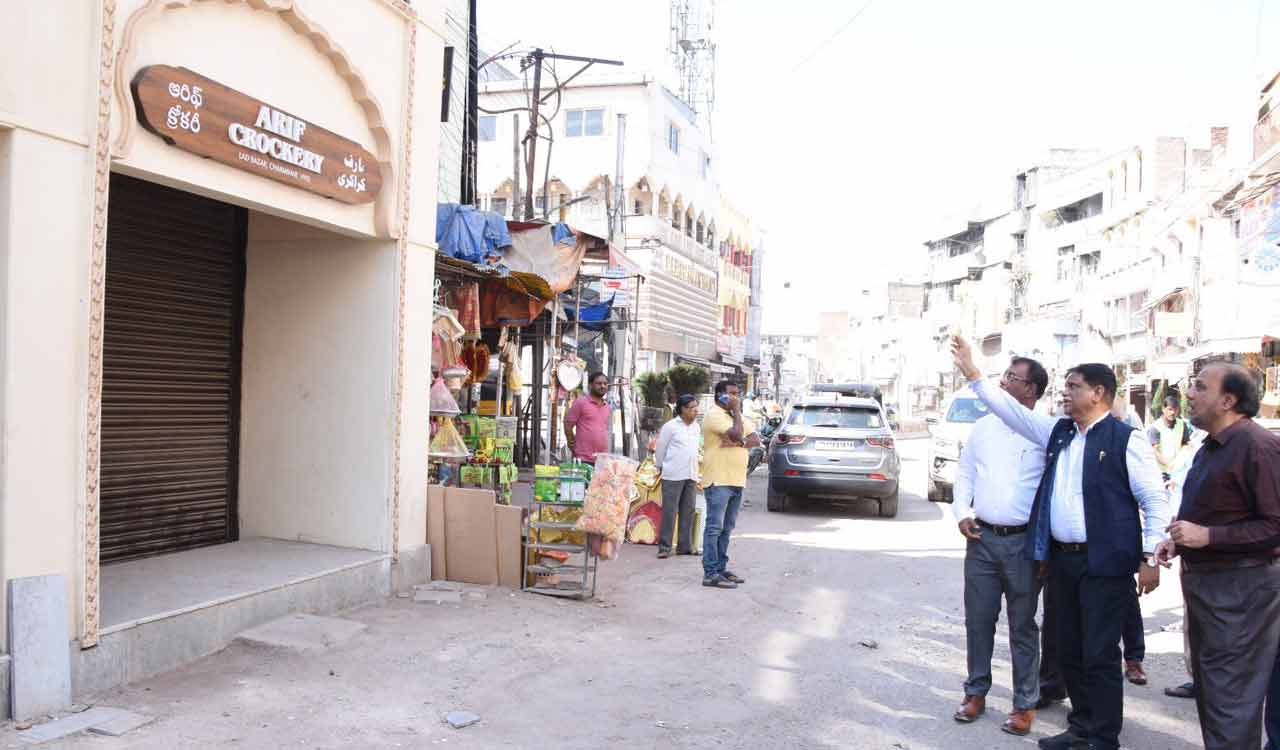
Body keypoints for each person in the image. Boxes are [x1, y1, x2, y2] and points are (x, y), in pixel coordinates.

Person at [951, 337, 1169, 750]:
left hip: (1105, 562)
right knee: (1067, 647)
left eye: (1073, 387)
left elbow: (1153, 498)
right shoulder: (1060, 432)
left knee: (1100, 653)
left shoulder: (1125, 439)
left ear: (1098, 393)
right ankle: (1081, 727)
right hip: (1064, 561)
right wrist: (974, 376)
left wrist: (1150, 553)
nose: (1064, 394)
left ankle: (1102, 737)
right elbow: (1009, 411)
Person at [1153, 362, 1280, 750]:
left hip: (1242, 592)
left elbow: (1275, 525)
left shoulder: (1258, 446)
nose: (1188, 394)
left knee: (1231, 702)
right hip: (1212, 590)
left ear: (1228, 400)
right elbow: (1217, 509)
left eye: (1199, 387)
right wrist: (1180, 538)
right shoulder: (1211, 446)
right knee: (1214, 695)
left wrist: (1207, 536)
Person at [951, 357, 1050, 736]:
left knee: (1023, 626)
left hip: (1024, 545)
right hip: (982, 540)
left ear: (1032, 391)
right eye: (1005, 374)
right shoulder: (983, 428)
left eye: (1013, 377)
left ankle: (1025, 704)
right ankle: (975, 692)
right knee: (978, 621)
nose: (1004, 381)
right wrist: (961, 512)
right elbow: (964, 474)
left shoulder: (1043, 431)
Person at [700, 380, 760, 589]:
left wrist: (738, 438)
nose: (736, 398)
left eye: (737, 394)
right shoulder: (714, 415)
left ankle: (721, 568)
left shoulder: (737, 418)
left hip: (736, 480)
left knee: (727, 528)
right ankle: (710, 573)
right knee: (714, 527)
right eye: (731, 394)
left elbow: (756, 439)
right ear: (720, 396)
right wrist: (738, 434)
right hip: (718, 479)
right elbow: (737, 434)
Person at [653, 394, 701, 559]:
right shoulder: (670, 427)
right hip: (673, 474)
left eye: (696, 406)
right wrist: (659, 466)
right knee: (669, 512)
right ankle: (665, 547)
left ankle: (684, 546)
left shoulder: (696, 427)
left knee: (688, 511)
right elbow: (661, 448)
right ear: (682, 409)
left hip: (691, 473)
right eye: (692, 407)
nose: (696, 410)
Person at [564, 371, 612, 464]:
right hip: (582, 458)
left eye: (605, 384)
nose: (603, 386)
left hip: (601, 459)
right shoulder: (580, 402)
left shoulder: (607, 406)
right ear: (590, 386)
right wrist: (572, 445)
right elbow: (568, 425)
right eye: (599, 383)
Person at [1148, 394, 1192, 481]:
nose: (1172, 412)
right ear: (1163, 409)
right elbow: (1155, 451)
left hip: (1179, 471)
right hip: (1160, 473)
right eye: (1170, 409)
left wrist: (1180, 460)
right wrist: (1169, 464)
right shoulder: (1156, 427)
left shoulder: (1182, 424)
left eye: (1175, 409)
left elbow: (1186, 444)